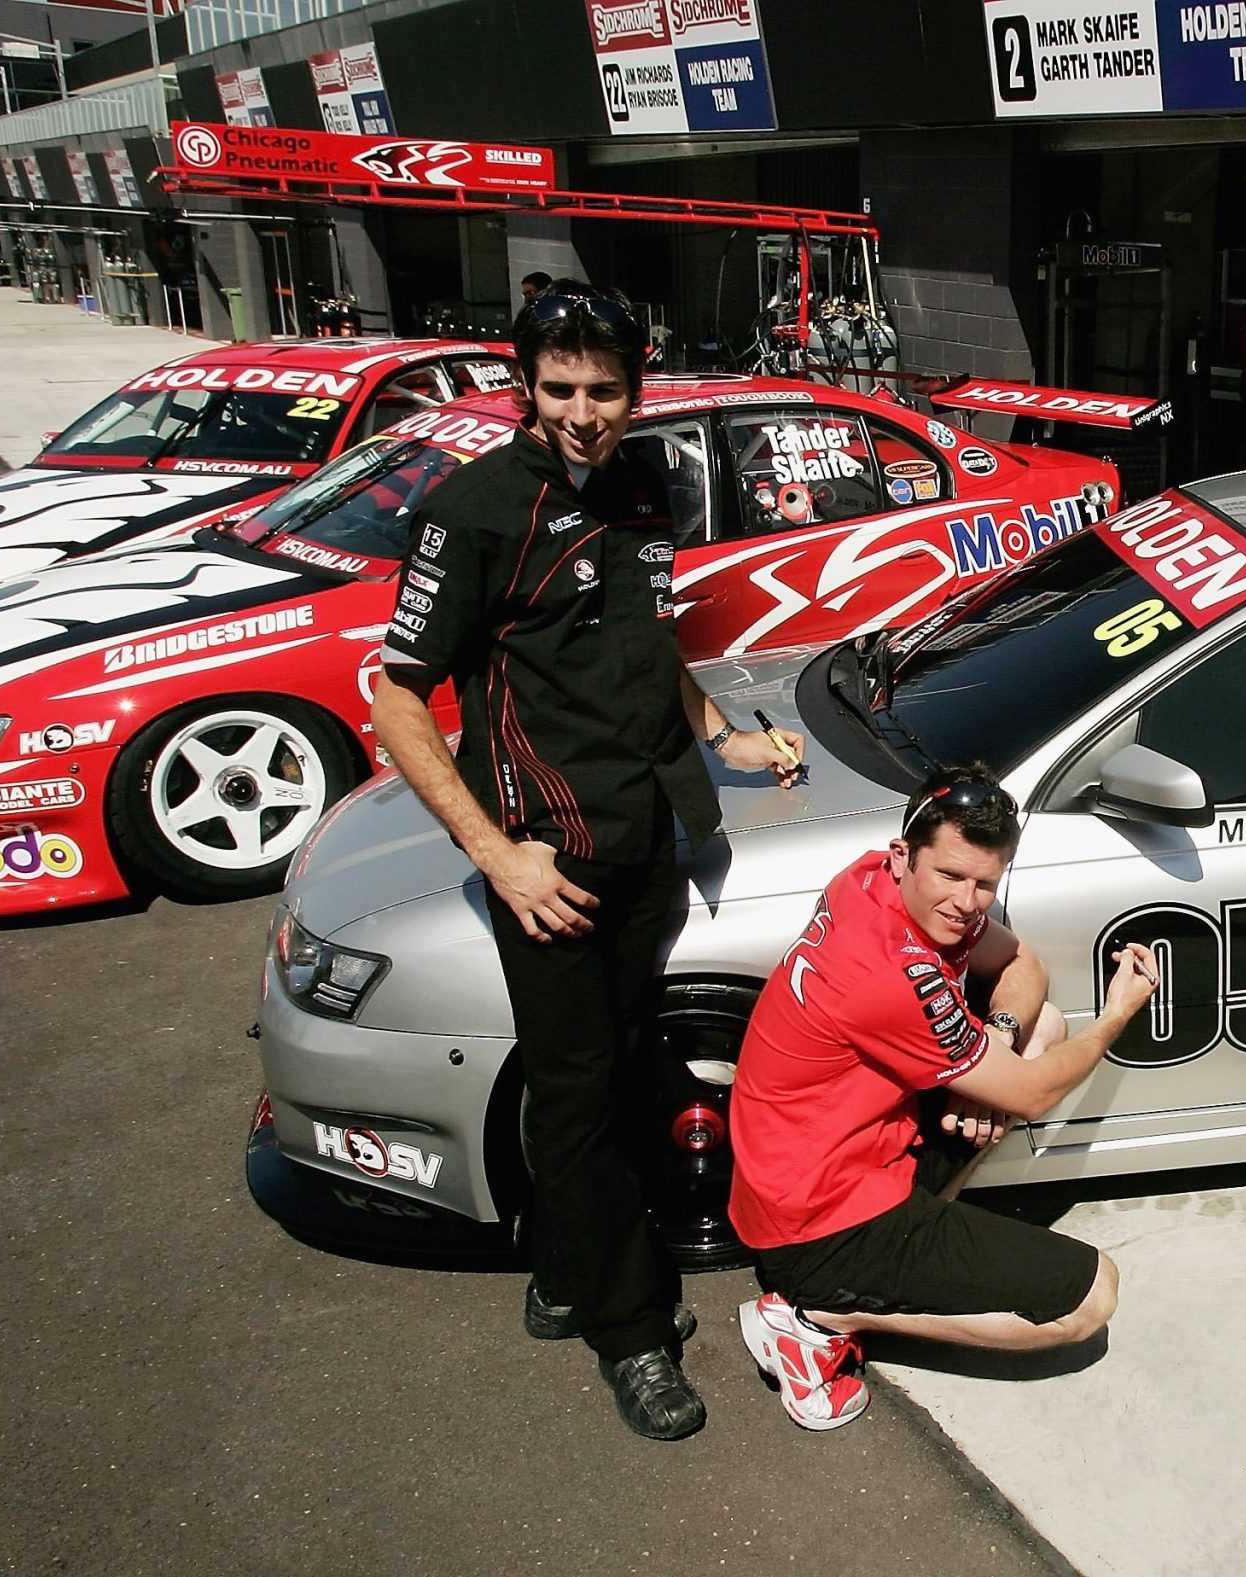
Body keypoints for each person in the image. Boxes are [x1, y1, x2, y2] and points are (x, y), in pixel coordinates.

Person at [370, 279, 805, 1443]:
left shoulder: (645, 483)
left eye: (603, 390)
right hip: (546, 856)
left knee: (618, 1058)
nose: (581, 412)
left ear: (637, 387)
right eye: (557, 389)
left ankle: (566, 1267)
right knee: (580, 1089)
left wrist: (724, 734)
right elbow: (396, 694)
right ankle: (630, 1328)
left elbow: (646, 641)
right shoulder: (472, 510)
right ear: (524, 386)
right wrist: (495, 853)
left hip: (649, 833)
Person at [725, 768, 1161, 1431]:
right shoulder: (889, 975)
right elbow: (1038, 1093)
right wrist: (1117, 1015)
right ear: (905, 856)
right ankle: (816, 1315)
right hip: (820, 1219)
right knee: (1089, 1298)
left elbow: (1024, 965)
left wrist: (997, 1040)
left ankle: (895, 1247)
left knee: (1039, 1026)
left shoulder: (870, 878)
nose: (967, 901)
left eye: (986, 882)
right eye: (951, 876)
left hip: (820, 1158)